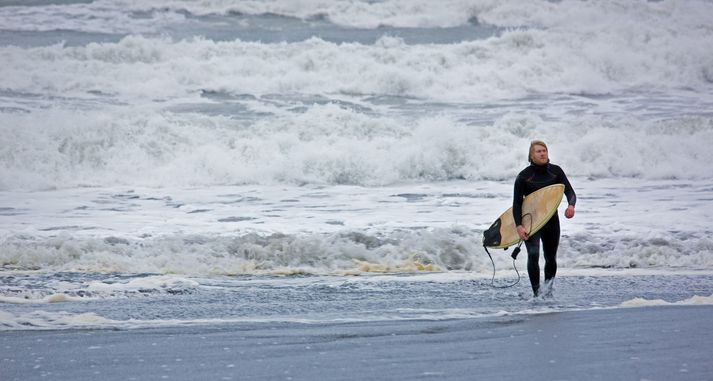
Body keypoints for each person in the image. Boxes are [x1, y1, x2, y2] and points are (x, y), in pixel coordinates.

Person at [513, 140, 576, 297]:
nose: (542, 153)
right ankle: (536, 293)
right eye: (538, 151)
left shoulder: (556, 172)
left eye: (544, 151)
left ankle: (547, 291)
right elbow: (516, 204)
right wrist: (519, 226)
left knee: (550, 257)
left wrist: (571, 205)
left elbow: (569, 191)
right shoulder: (524, 176)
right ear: (531, 155)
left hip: (551, 220)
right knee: (533, 254)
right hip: (531, 222)